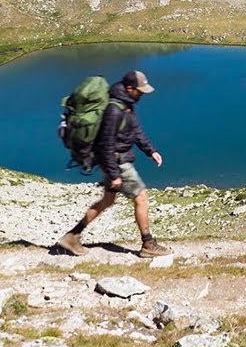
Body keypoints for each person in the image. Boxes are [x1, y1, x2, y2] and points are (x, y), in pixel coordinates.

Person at [56, 70, 169, 258]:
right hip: (117, 162)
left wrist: (151, 151)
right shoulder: (114, 109)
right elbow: (105, 143)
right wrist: (114, 173)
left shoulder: (127, 105)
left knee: (107, 201)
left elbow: (136, 131)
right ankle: (148, 244)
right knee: (141, 197)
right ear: (129, 88)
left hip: (114, 162)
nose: (142, 94)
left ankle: (72, 236)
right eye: (140, 91)